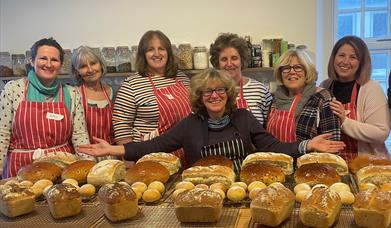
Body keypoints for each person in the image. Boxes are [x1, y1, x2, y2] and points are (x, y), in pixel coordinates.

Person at [79, 69, 345, 173]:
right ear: (200, 96)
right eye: (208, 91)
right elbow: (152, 147)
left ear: (228, 94)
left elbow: (272, 145)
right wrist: (113, 149)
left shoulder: (243, 117)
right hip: (201, 187)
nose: (215, 95)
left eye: (220, 90)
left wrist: (308, 145)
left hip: (241, 186)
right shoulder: (190, 124)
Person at [0, 38, 91, 178]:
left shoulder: (72, 93)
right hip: (20, 169)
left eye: (54, 60)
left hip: (61, 168)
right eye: (43, 58)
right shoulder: (14, 89)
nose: (48, 64)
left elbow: (80, 137)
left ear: (61, 64)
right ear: (32, 61)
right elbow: (2, 134)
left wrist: (89, 169)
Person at [112, 30, 191, 165]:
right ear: (143, 54)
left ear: (168, 53)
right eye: (150, 49)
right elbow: (122, 126)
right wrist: (129, 162)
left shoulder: (182, 78)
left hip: (185, 152)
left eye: (161, 49)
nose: (156, 54)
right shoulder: (131, 85)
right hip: (149, 156)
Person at [320, 35, 391, 161]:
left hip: (367, 164)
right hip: (333, 162)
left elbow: (381, 133)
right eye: (341, 55)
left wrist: (344, 121)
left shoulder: (370, 88)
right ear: (334, 58)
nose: (345, 62)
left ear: (362, 62)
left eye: (353, 57)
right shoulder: (325, 86)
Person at [267, 48, 341, 142]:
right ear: (280, 73)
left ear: (307, 72)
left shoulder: (322, 98)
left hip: (309, 157)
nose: (292, 72)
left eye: (298, 67)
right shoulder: (274, 99)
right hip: (274, 156)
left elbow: (332, 143)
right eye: (286, 68)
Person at [209, 33, 272, 127]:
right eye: (224, 59)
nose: (229, 64)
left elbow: (269, 128)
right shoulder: (209, 93)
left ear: (242, 60)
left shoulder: (260, 91)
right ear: (217, 63)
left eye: (234, 58)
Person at [71, 45, 117, 161]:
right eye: (83, 66)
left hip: (113, 154)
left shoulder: (114, 92)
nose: (90, 70)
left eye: (93, 63)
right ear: (77, 71)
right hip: (85, 156)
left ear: (101, 64)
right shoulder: (74, 95)